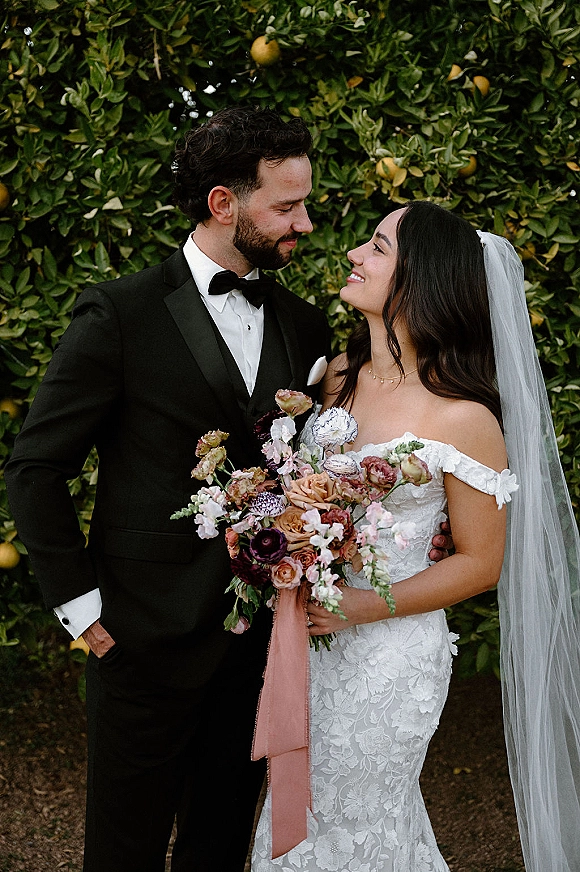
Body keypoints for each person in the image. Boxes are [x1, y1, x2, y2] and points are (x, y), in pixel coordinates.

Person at [5, 108, 449, 871]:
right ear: (223, 204)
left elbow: (348, 448)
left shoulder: (310, 329)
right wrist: (81, 611)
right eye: (286, 205)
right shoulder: (119, 311)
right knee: (124, 848)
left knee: (218, 847)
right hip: (138, 639)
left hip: (260, 649)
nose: (305, 224)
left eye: (305, 204)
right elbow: (36, 467)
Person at [251, 201, 580, 872]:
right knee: (295, 812)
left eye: (376, 247)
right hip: (306, 640)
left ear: (420, 281)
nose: (354, 256)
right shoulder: (338, 378)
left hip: (389, 655)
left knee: (357, 819)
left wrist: (368, 604)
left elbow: (482, 562)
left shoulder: (465, 418)